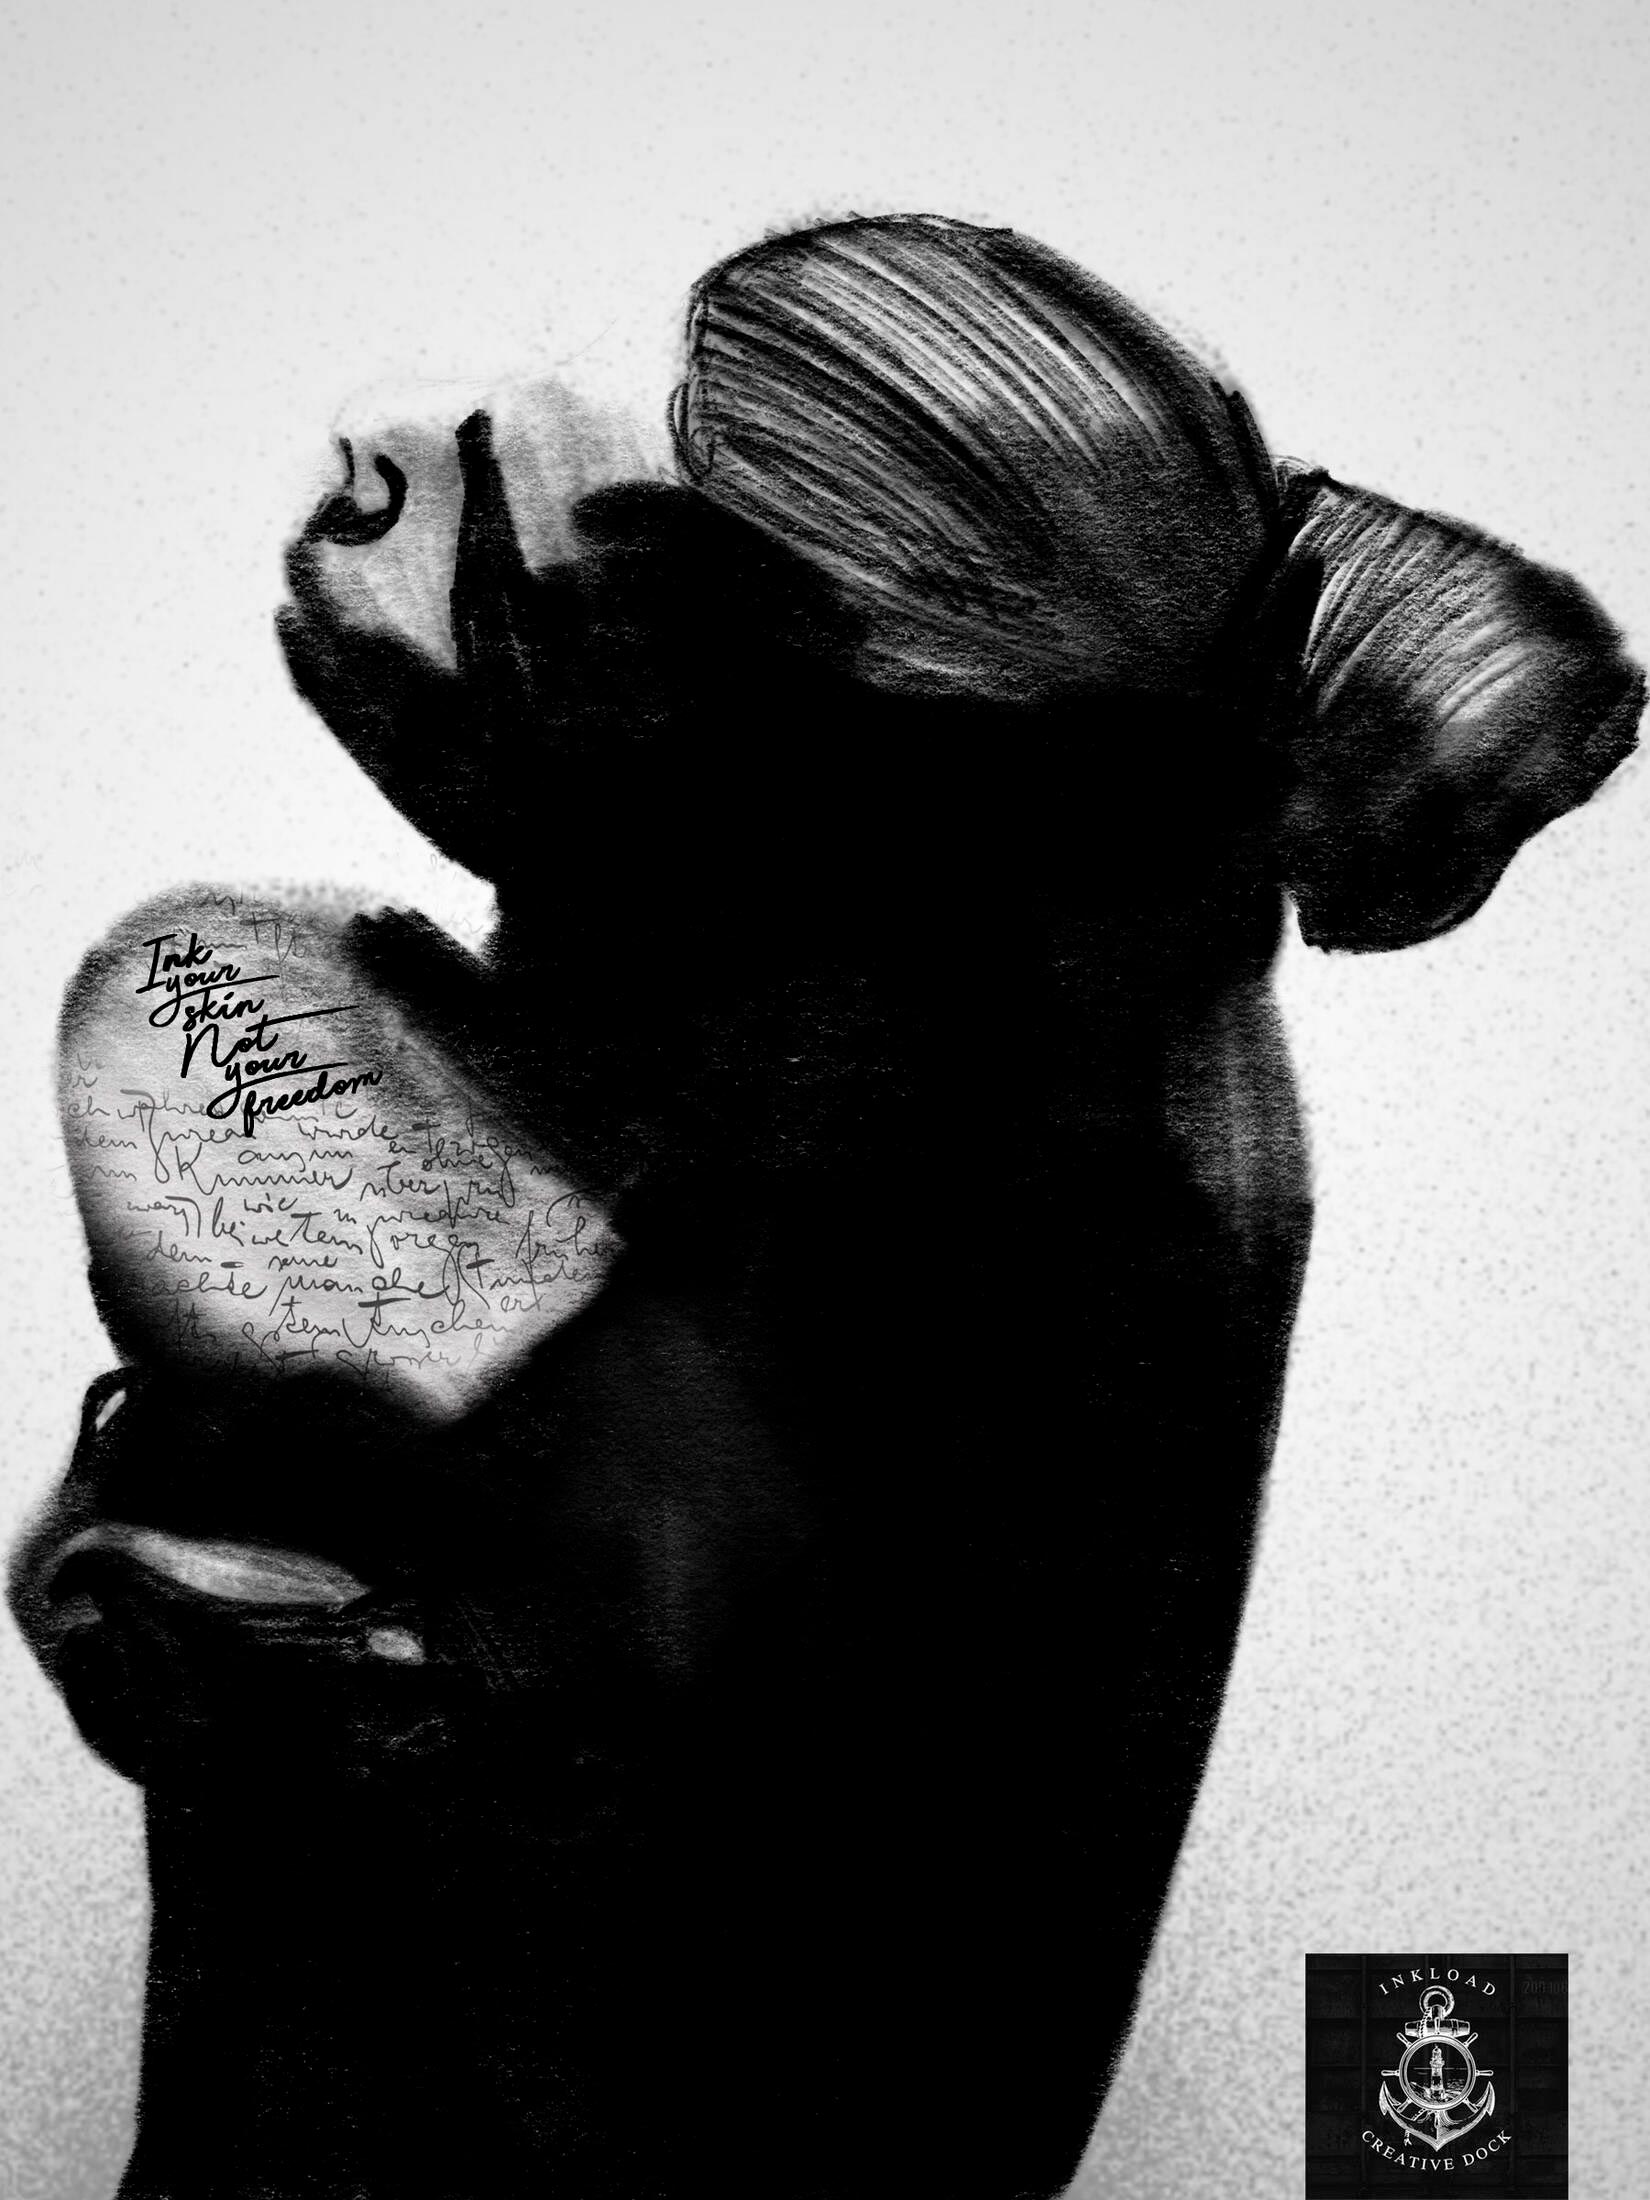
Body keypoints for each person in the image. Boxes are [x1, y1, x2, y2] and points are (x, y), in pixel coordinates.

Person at [13, 215, 1641, 2199]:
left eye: (669, 508)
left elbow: (597, 1757)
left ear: (859, 680)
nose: (571, 507)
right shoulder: (1086, 1050)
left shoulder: (970, 1156)